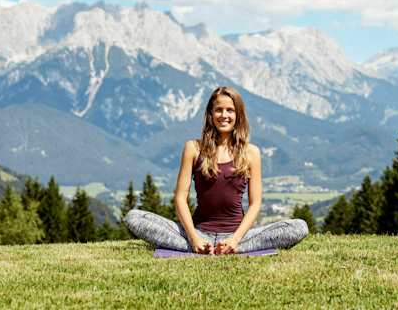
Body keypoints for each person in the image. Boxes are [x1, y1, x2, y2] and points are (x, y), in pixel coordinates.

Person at [124, 86, 309, 254]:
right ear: (211, 114)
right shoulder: (193, 148)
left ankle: (231, 247)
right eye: (219, 110)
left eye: (230, 110)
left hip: (238, 235)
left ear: (238, 115)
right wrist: (194, 238)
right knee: (134, 217)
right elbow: (180, 198)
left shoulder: (251, 153)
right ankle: (203, 247)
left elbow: (255, 204)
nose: (224, 115)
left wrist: (235, 239)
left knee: (299, 227)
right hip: (198, 232)